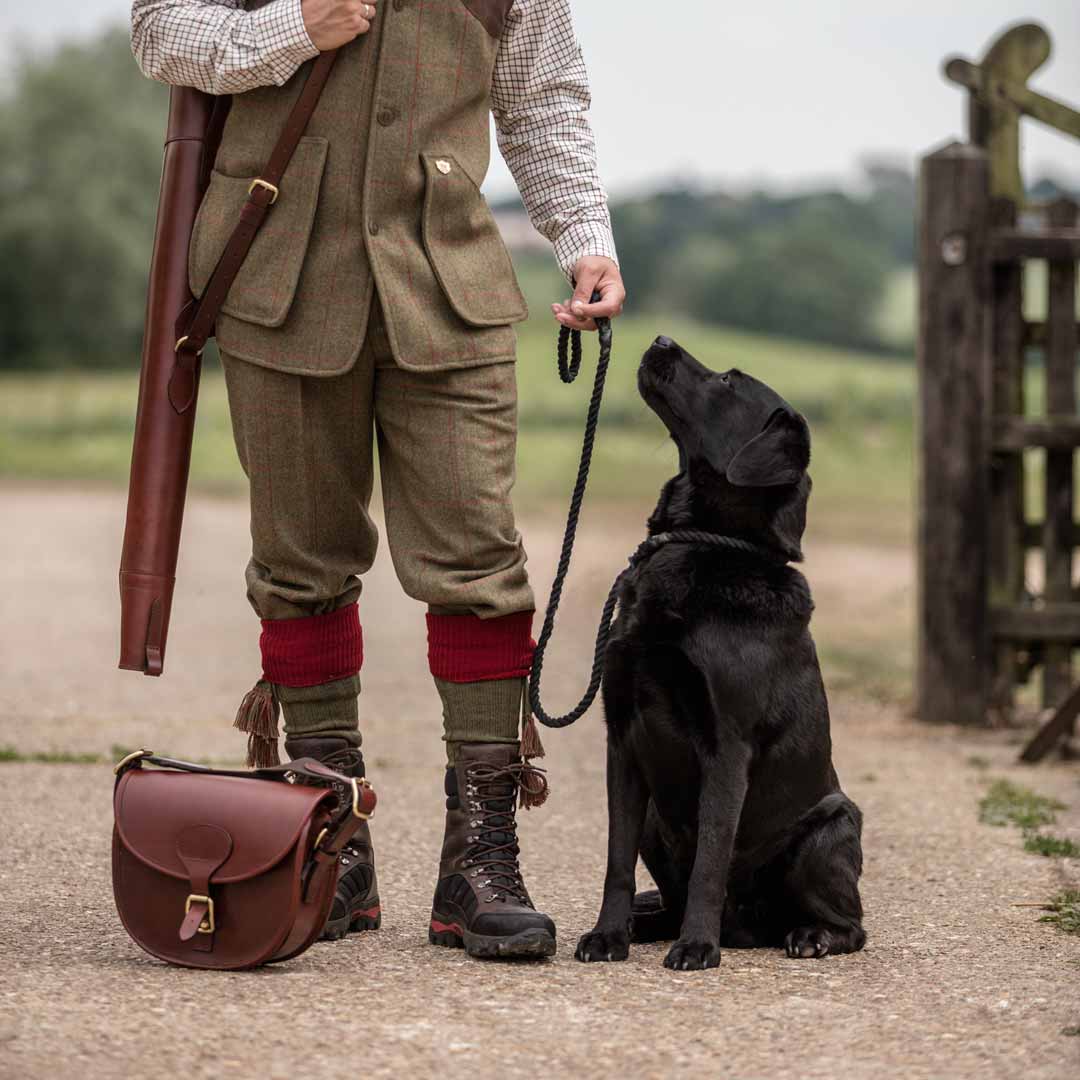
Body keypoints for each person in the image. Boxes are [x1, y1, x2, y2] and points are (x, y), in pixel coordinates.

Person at [129, 0, 624, 959]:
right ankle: (330, 850)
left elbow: (543, 96)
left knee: (481, 564)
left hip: (449, 283)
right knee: (300, 566)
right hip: (275, 275)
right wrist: (291, 28)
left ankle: (481, 863)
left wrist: (583, 236)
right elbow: (159, 30)